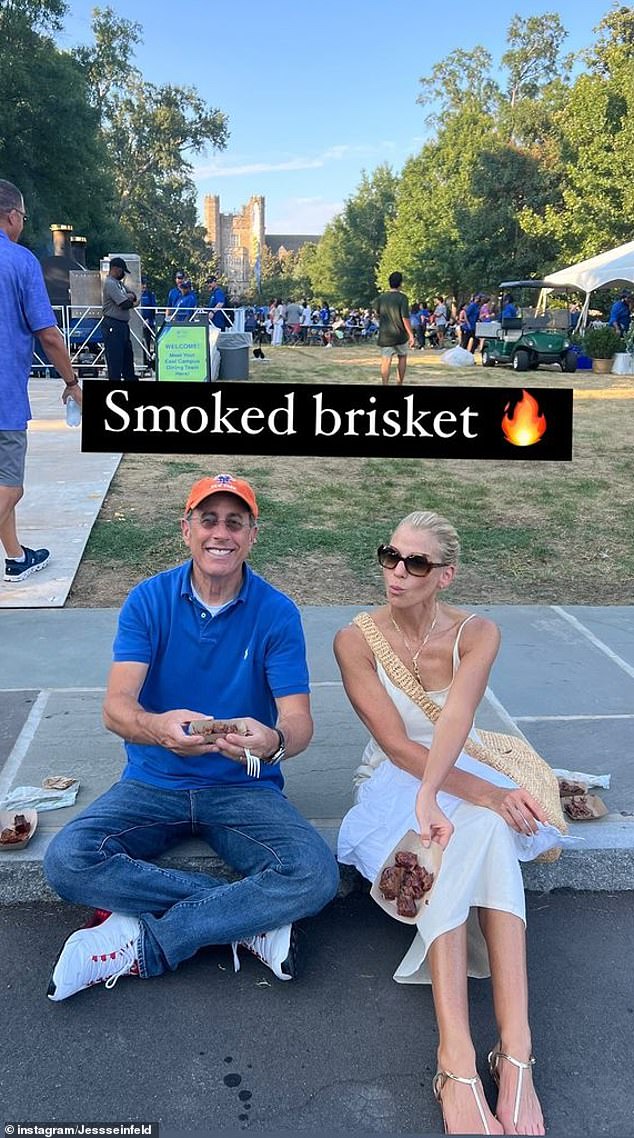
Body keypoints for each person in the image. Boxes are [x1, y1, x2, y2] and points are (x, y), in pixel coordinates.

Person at [44, 473, 340, 1001]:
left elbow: (299, 722)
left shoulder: (276, 612)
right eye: (208, 520)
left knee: (315, 874)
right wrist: (157, 728)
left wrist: (271, 740)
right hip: (152, 779)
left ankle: (145, 942)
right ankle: (245, 920)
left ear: (253, 534)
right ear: (186, 530)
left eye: (234, 522)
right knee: (67, 860)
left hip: (244, 782)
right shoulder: (148, 600)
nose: (219, 533)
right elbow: (116, 709)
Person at [335, 510, 564, 1135]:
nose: (397, 573)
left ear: (445, 576)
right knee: (476, 827)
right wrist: (437, 798)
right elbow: (397, 744)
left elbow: (457, 719)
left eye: (416, 563)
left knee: (482, 827)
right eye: (390, 556)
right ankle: (467, 1057)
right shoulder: (355, 639)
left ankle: (508, 1054)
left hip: (459, 764)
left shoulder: (477, 633)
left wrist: (464, 793)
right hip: (391, 778)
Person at [0, 178, 82, 583]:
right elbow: (48, 334)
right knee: (11, 486)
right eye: (24, 217)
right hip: (3, 398)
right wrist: (71, 380)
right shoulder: (19, 261)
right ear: (12, 215)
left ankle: (16, 557)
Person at [374, 271, 416, 384]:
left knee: (386, 360)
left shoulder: (381, 298)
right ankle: (399, 383)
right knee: (402, 357)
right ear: (400, 283)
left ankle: (385, 384)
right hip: (400, 335)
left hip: (385, 334)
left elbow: (376, 314)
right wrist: (411, 335)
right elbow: (405, 317)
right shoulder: (403, 298)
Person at [102, 256, 138, 382]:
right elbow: (124, 304)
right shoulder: (110, 284)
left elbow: (134, 296)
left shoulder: (119, 284)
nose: (123, 274)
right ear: (116, 269)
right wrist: (130, 300)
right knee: (115, 361)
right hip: (113, 325)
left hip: (123, 326)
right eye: (122, 271)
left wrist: (130, 297)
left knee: (128, 358)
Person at [138, 275, 157, 368]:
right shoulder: (136, 294)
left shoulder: (150, 295)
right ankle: (141, 359)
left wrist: (149, 320)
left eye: (145, 284)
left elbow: (153, 309)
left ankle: (148, 361)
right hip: (137, 322)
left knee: (147, 341)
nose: (144, 286)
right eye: (142, 284)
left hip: (147, 322)